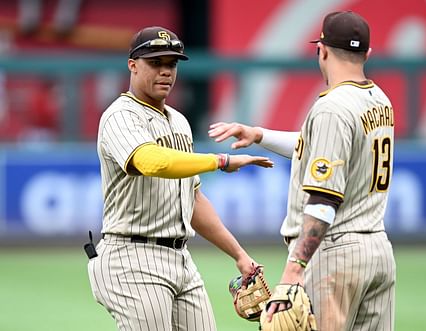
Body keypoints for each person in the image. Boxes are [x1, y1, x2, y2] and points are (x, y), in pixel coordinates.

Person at [209, 11, 396, 331]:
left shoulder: (332, 107)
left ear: (321, 50)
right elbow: (326, 146)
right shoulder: (379, 100)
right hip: (377, 252)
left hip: (335, 255)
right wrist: (259, 135)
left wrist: (294, 268)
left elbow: (323, 201)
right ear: (367, 54)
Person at [87, 26, 273, 331]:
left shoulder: (179, 121)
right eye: (155, 63)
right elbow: (150, 161)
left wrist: (240, 255)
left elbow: (194, 199)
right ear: (132, 65)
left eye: (171, 64)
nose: (165, 72)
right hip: (131, 257)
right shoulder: (120, 115)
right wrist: (220, 161)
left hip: (181, 259)